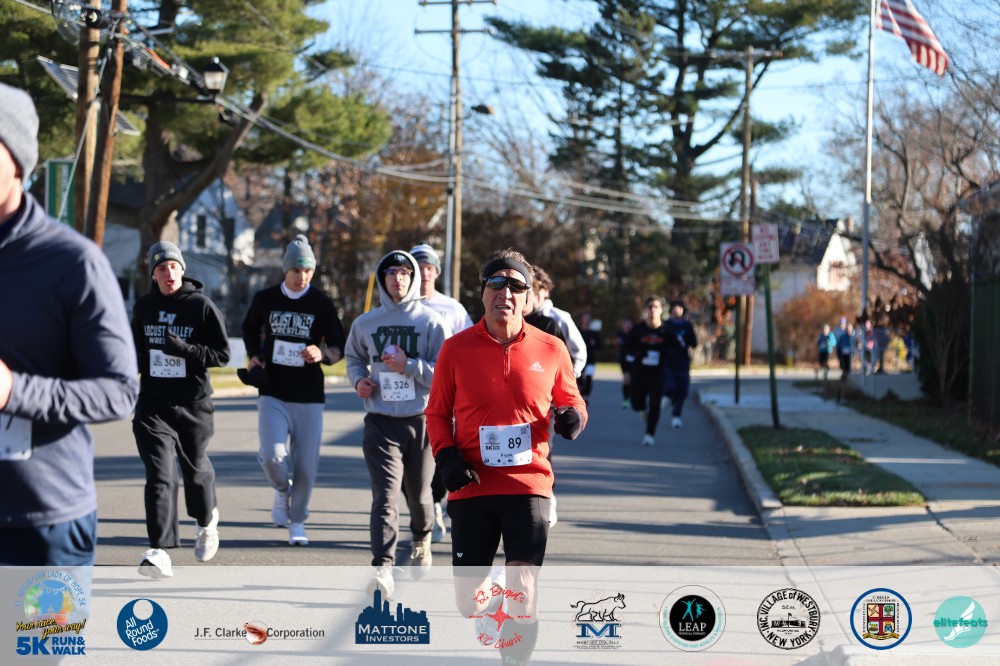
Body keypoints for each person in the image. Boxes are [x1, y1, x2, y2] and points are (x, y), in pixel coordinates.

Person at [425, 248, 587, 666]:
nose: (506, 294)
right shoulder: (455, 349)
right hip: (472, 487)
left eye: (516, 286)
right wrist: (446, 456)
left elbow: (572, 400)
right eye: (497, 284)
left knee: (524, 592)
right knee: (468, 603)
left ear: (528, 296)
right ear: (483, 292)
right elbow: (436, 413)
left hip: (528, 485)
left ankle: (514, 658)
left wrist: (573, 417)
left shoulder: (551, 348)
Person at [0, 83, 139, 566]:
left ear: (17, 161)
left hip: (42, 524)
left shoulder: (72, 262)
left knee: (35, 627)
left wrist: (13, 391)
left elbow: (118, 391)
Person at [346, 250, 448, 598]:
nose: (398, 278)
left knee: (419, 495)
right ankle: (383, 567)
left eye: (404, 273)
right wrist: (358, 380)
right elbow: (354, 358)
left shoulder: (431, 322)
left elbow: (445, 376)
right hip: (380, 421)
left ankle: (421, 538)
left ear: (414, 277)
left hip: (421, 421)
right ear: (382, 278)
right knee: (385, 497)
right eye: (391, 273)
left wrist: (410, 365)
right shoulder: (366, 323)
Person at [131, 241, 231, 578]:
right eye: (161, 268)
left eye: (173, 266)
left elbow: (222, 354)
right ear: (153, 274)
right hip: (153, 405)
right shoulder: (144, 307)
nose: (168, 273)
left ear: (182, 269)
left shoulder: (201, 306)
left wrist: (185, 350)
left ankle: (206, 521)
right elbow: (132, 351)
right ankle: (159, 551)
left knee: (196, 470)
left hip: (193, 404)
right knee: (160, 476)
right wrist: (142, 360)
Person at [241, 234, 346, 546]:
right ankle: (281, 490)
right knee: (272, 455)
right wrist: (254, 355)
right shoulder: (266, 298)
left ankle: (297, 521)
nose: (302, 277)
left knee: (305, 467)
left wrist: (320, 353)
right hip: (272, 390)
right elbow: (249, 328)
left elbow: (337, 345)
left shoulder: (321, 303)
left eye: (307, 271)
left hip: (309, 395)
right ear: (285, 270)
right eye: (296, 270)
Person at [409, 243, 472, 543]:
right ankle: (427, 506)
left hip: (447, 395)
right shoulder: (401, 308)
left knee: (442, 451)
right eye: (418, 268)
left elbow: (471, 345)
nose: (423, 273)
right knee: (411, 466)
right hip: (409, 397)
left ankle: (436, 502)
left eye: (428, 268)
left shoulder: (452, 309)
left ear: (436, 272)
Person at [625, 297, 668, 446]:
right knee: (636, 402)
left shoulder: (666, 331)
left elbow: (676, 348)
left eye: (656, 307)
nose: (653, 310)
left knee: (655, 403)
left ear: (661, 310)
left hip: (658, 373)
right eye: (650, 306)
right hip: (640, 372)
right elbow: (627, 347)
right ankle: (642, 410)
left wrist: (666, 354)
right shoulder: (638, 330)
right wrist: (638, 353)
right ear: (646, 310)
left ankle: (650, 434)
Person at [533, 267, 587, 379]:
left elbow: (579, 351)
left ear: (546, 291)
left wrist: (570, 377)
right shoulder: (518, 317)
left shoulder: (560, 318)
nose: (534, 293)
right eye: (532, 289)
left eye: (538, 288)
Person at [661, 299, 698, 429]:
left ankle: (676, 416)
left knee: (683, 390)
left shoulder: (687, 326)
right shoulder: (666, 325)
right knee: (670, 387)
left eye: (680, 308)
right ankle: (664, 401)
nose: (677, 310)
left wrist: (685, 339)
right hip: (669, 362)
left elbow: (694, 343)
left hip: (683, 362)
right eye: (675, 307)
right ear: (671, 310)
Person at [577, 313, 602, 402]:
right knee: (579, 377)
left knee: (589, 377)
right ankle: (580, 394)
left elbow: (600, 346)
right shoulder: (577, 332)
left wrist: (594, 344)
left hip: (590, 359)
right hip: (579, 358)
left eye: (588, 319)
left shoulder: (593, 333)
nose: (586, 321)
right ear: (581, 320)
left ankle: (586, 395)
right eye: (585, 319)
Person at [614, 316, 635, 409]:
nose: (628, 326)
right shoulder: (620, 334)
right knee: (626, 379)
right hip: (624, 360)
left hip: (634, 360)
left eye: (629, 324)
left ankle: (633, 397)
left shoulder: (634, 334)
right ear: (623, 325)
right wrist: (616, 342)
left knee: (633, 380)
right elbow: (615, 343)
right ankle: (626, 400)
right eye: (626, 324)